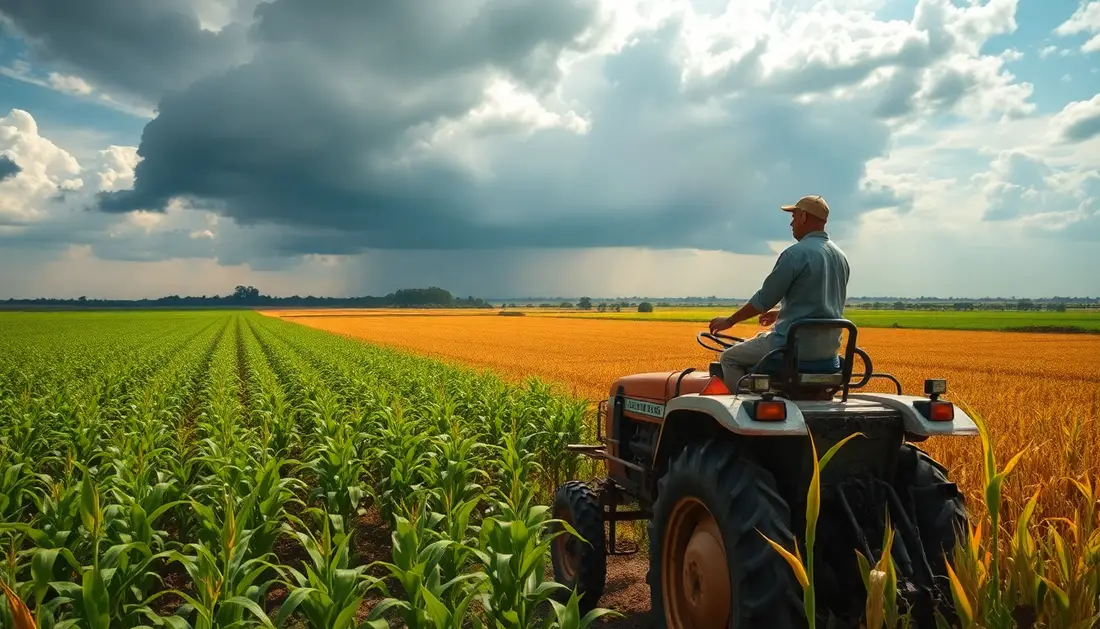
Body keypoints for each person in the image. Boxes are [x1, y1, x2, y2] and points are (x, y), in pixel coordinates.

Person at [709, 195, 850, 392]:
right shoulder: (840, 256)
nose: (791, 223)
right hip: (827, 352)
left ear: (803, 217)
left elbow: (764, 300)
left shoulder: (795, 254)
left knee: (729, 358)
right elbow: (820, 302)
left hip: (791, 347)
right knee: (760, 338)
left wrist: (730, 321)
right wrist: (781, 313)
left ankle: (741, 408)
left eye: (793, 217)